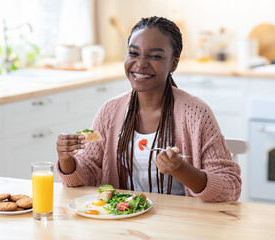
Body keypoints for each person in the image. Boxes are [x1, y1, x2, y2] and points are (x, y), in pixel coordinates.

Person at [56, 16, 241, 202]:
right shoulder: (110, 111)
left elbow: (230, 186)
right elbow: (88, 174)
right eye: (134, 53)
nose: (141, 63)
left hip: (180, 223)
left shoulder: (196, 113)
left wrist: (182, 170)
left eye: (155, 56)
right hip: (122, 221)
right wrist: (66, 159)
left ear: (173, 63)